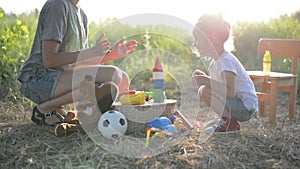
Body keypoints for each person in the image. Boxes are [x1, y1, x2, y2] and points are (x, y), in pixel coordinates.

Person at [18, 0, 138, 126]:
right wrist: (92, 51)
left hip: (62, 79)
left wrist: (112, 55)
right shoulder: (57, 5)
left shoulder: (82, 15)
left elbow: (81, 63)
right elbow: (49, 60)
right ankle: (46, 108)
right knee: (114, 74)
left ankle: (94, 117)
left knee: (123, 78)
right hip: (39, 78)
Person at [192, 14, 258, 134]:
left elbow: (230, 92)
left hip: (245, 107)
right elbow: (218, 86)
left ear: (211, 40)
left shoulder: (226, 61)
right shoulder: (215, 62)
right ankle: (226, 120)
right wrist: (204, 77)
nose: (195, 44)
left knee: (204, 91)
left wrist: (206, 80)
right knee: (204, 90)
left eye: (197, 39)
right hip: (238, 104)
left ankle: (230, 123)